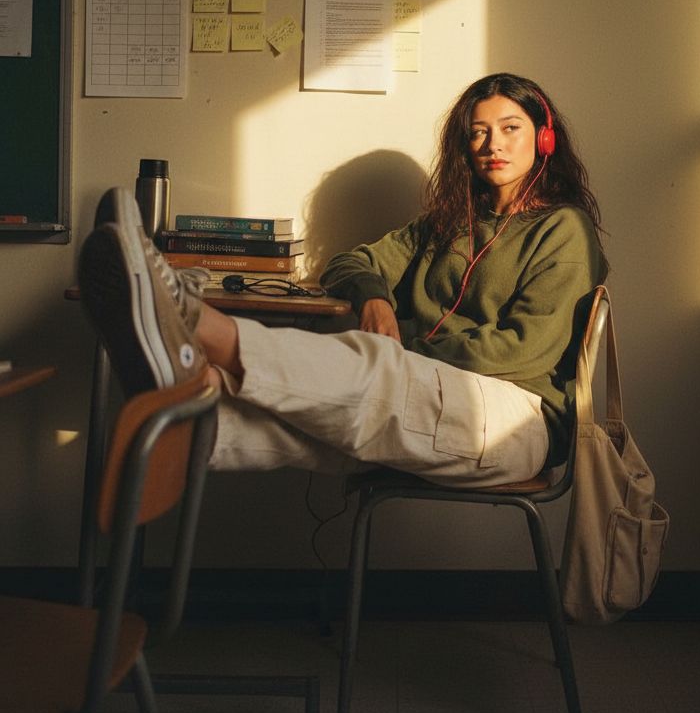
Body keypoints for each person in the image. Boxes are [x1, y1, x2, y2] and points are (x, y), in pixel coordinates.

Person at [77, 73, 609, 489]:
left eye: (510, 128)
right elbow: (350, 263)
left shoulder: (564, 228)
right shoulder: (447, 223)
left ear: (542, 137)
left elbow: (526, 349)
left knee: (377, 368)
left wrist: (410, 352)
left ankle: (196, 326)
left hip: (518, 422)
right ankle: (196, 401)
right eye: (478, 131)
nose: (492, 143)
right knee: (310, 424)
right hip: (429, 404)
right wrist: (375, 298)